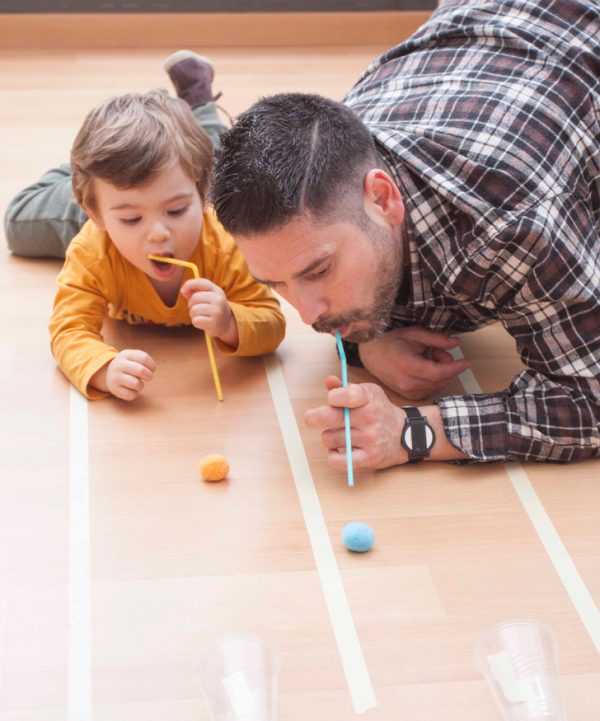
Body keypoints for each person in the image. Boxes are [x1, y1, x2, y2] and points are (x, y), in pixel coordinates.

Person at [210, 0, 600, 470]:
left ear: (384, 198)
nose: (307, 313)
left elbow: (590, 403)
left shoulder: (513, 224)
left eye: (318, 270)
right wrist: (366, 340)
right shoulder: (334, 152)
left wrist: (413, 430)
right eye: (277, 284)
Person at [4, 53, 285, 400]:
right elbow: (69, 329)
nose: (158, 233)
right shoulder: (92, 250)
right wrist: (103, 368)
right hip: (97, 201)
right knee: (17, 222)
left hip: (179, 185)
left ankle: (199, 103)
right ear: (95, 213)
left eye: (177, 211)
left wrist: (230, 322)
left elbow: (271, 322)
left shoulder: (224, 242)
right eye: (132, 219)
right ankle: (88, 168)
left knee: (216, 158)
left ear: (202, 197)